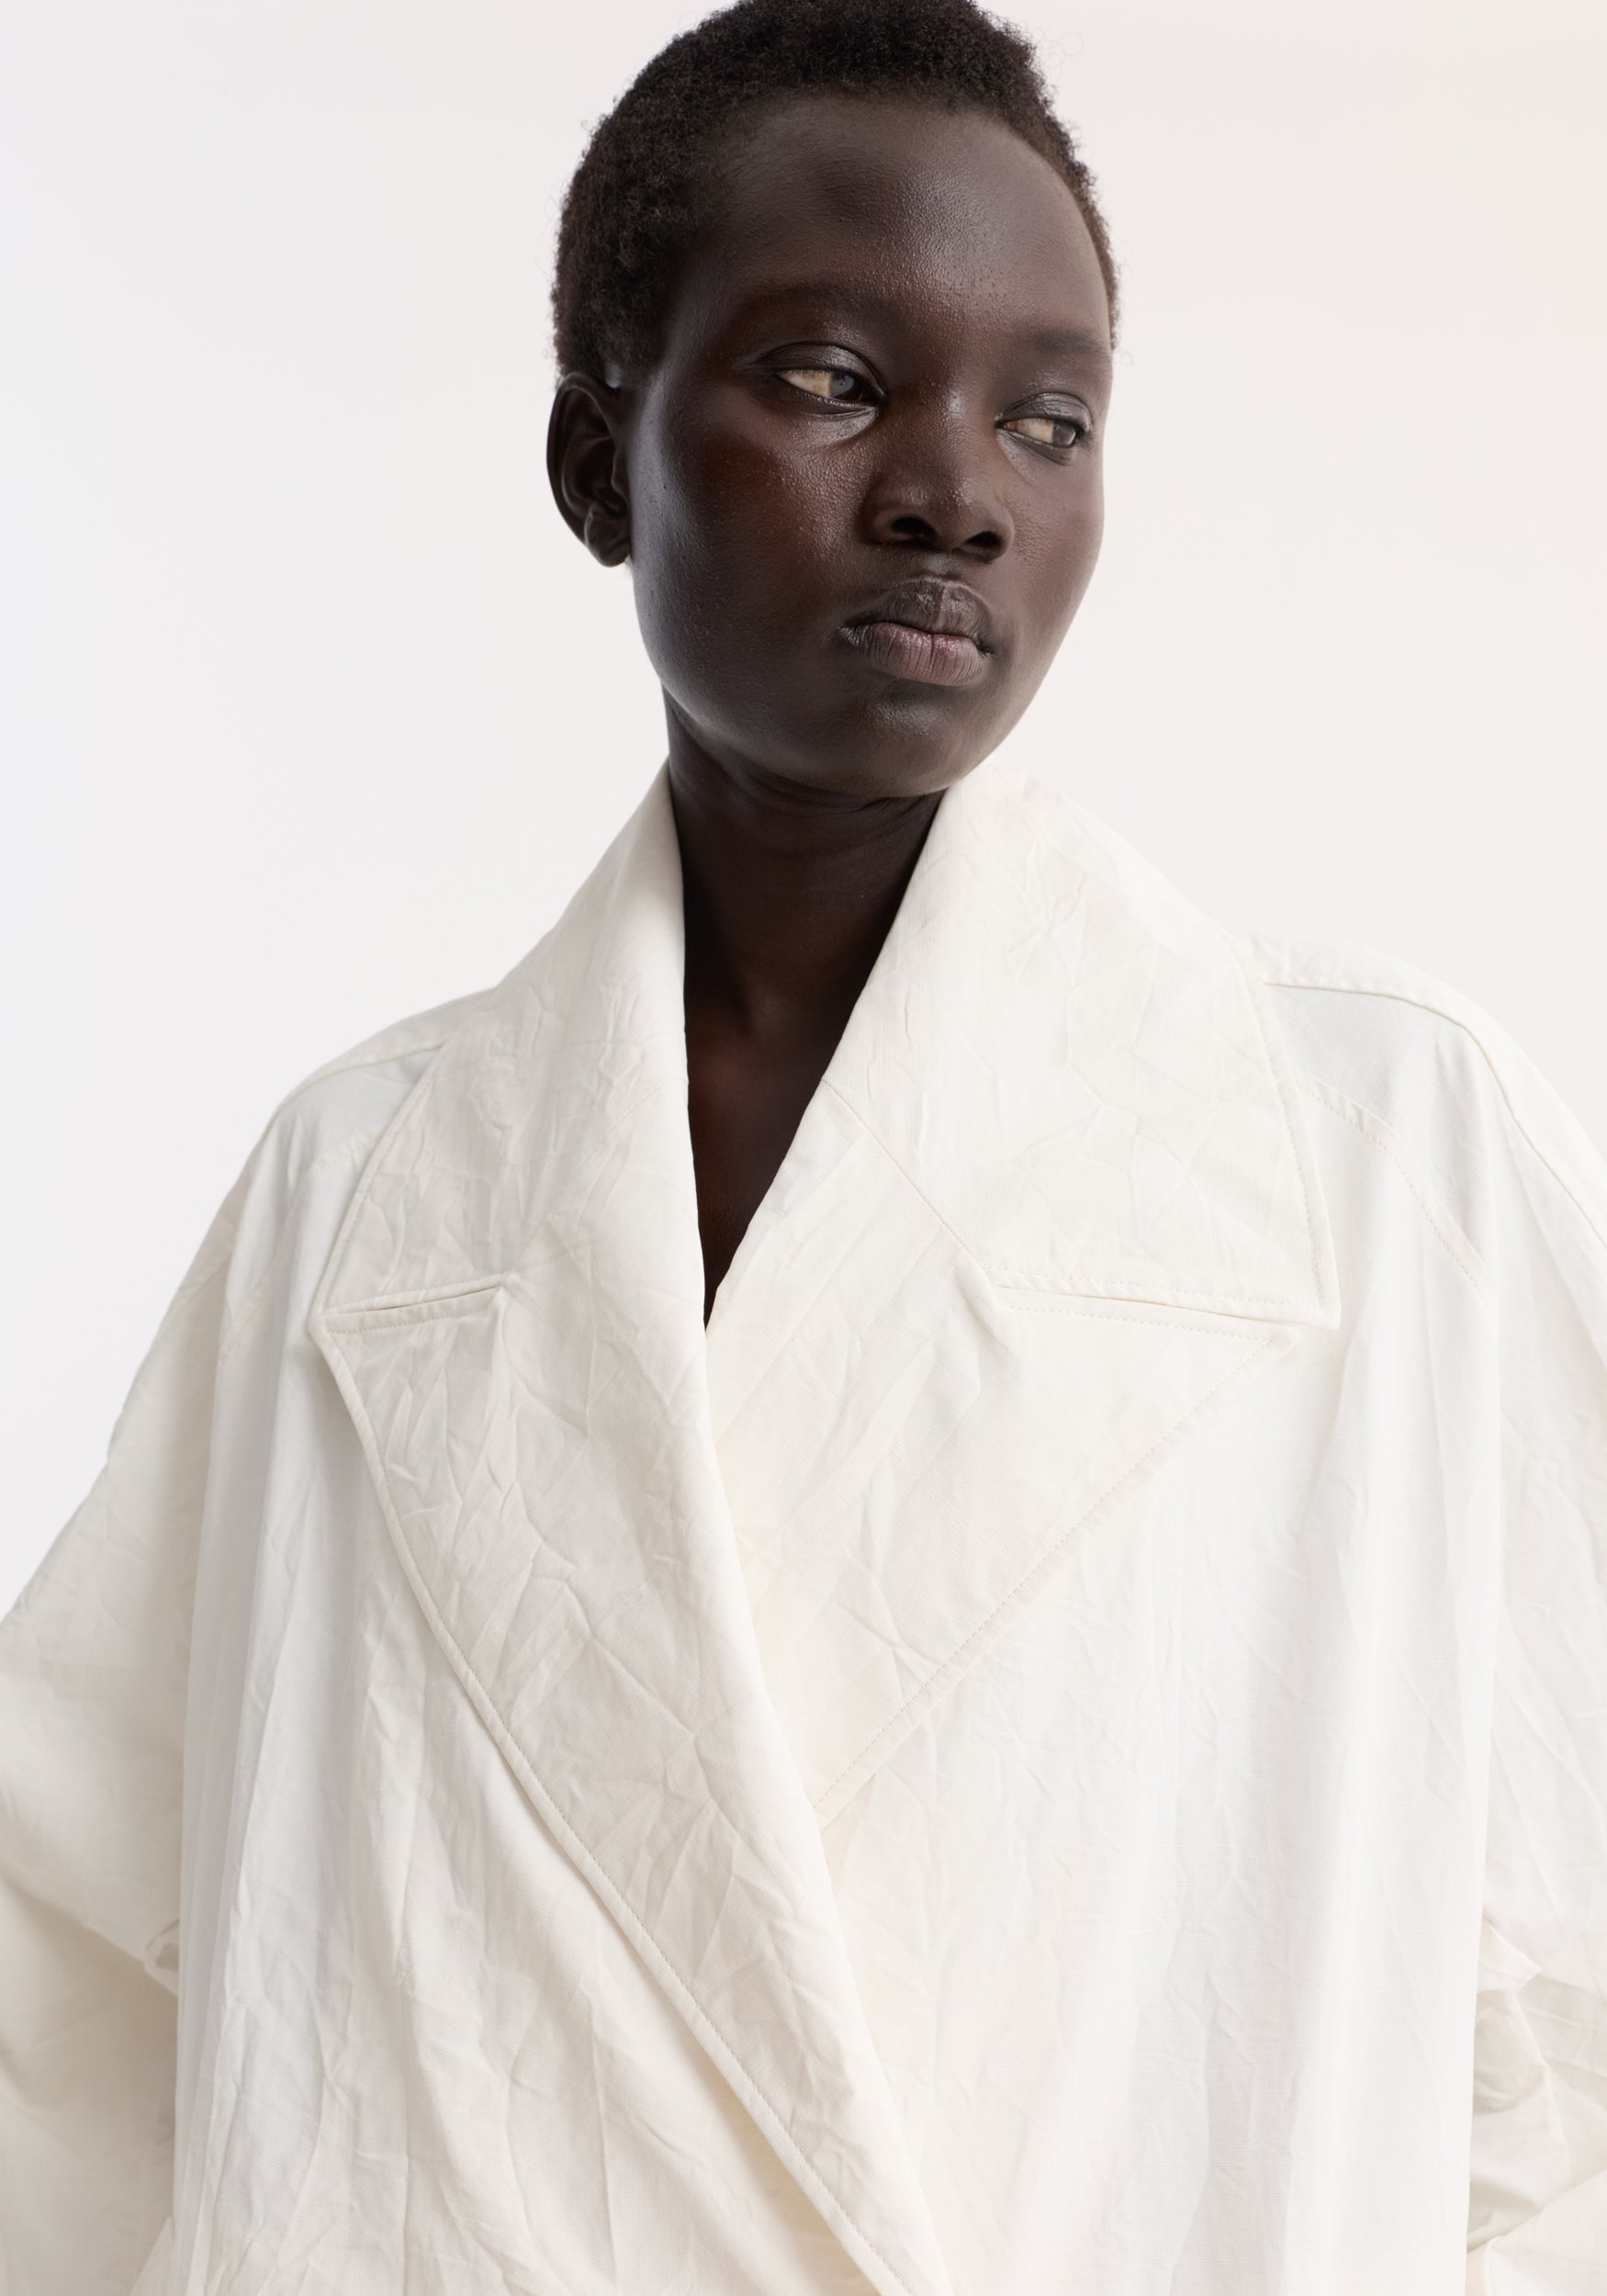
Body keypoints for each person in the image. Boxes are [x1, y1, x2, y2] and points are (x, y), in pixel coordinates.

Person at [3, 1, 1604, 2290]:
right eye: (835, 380)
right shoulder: (359, 1193)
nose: (957, 490)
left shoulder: (1380, 1145)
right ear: (598, 462)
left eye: (1045, 418)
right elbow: (70, 1978)